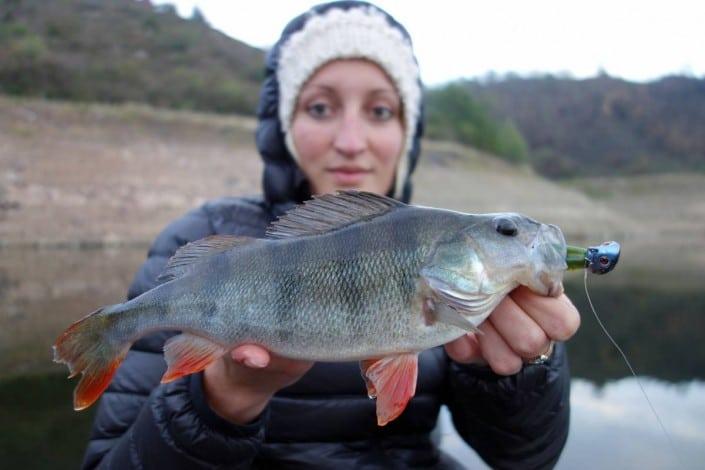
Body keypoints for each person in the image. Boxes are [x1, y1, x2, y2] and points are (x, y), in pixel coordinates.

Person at [82, 2, 580, 468]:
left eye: (380, 110)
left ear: (408, 132)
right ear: (284, 126)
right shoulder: (200, 237)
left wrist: (521, 373)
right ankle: (111, 331)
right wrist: (220, 400)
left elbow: (525, 459)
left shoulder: (464, 303)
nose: (350, 141)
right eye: (321, 108)